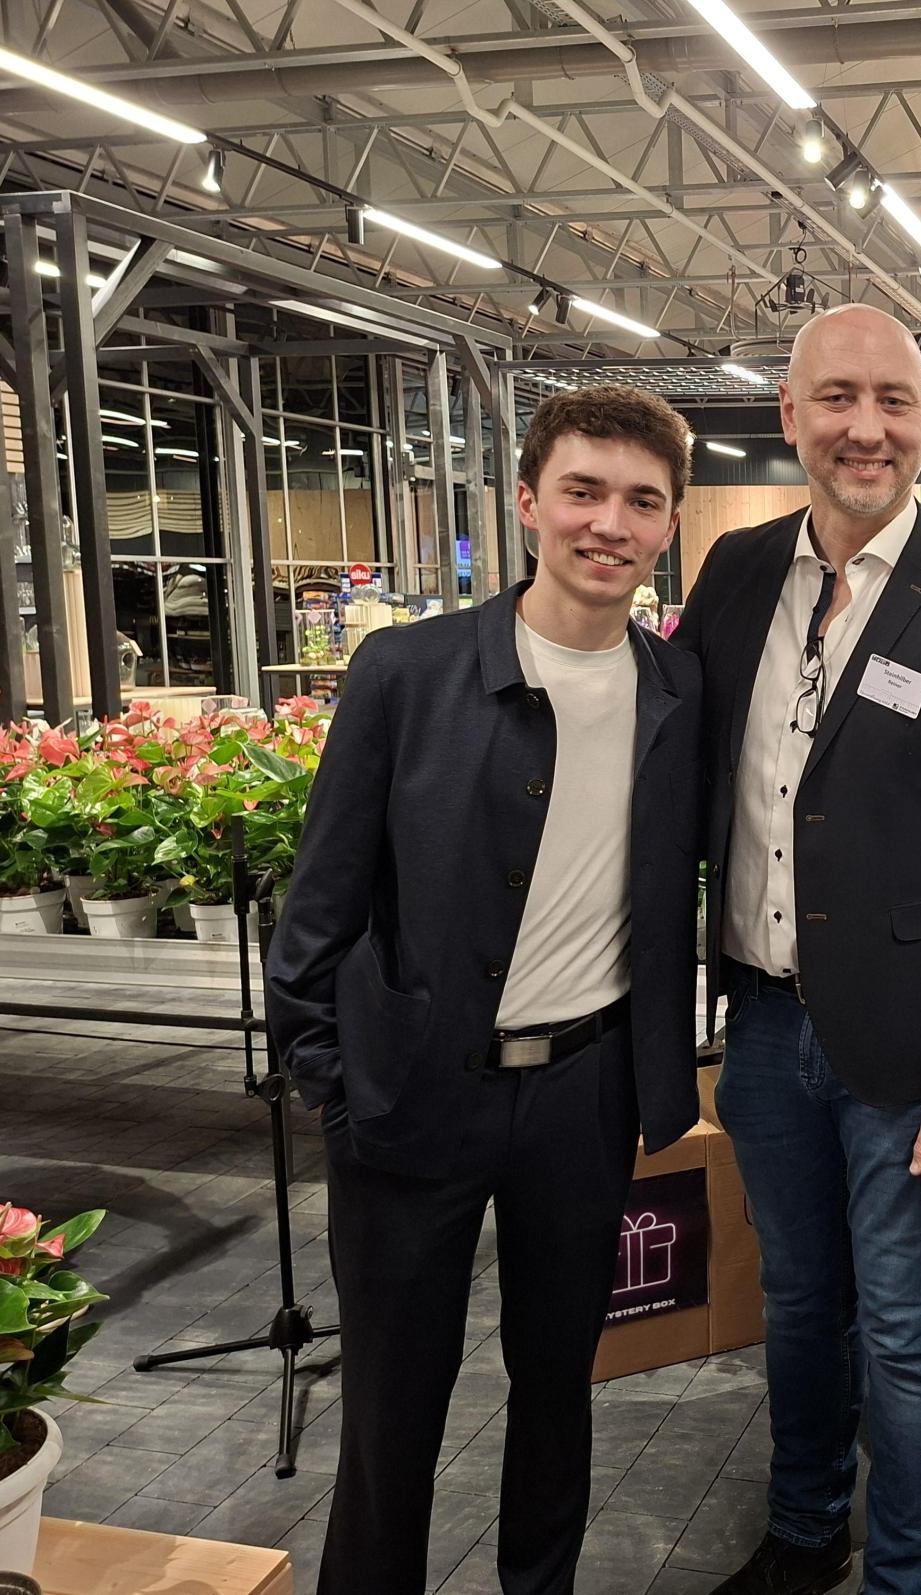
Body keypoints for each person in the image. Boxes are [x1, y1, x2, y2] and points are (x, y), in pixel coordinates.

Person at [266, 385, 704, 1595]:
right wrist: (329, 1078)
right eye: (582, 491)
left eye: (640, 501)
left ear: (669, 524)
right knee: (392, 1399)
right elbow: (320, 900)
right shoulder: (406, 671)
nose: (608, 523)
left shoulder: (677, 690)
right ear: (525, 501)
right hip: (412, 1091)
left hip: (584, 1092)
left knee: (558, 1384)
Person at [673, 303, 921, 1595]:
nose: (866, 427)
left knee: (906, 1325)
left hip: (912, 1051)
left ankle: (904, 1575)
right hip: (763, 1024)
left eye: (893, 400)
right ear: (788, 415)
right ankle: (802, 1533)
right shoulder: (733, 574)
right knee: (796, 1302)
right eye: (837, 397)